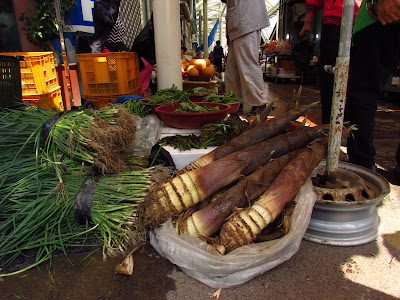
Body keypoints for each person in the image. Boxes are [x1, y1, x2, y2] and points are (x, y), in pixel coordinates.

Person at [345, 0, 400, 171]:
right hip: (381, 18)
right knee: (363, 95)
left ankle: (361, 166)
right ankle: (362, 165)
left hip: (380, 19)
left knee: (363, 94)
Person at [300, 0, 362, 124]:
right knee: (330, 80)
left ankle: (348, 128)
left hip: (362, 23)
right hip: (335, 20)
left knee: (357, 83)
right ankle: (328, 129)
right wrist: (308, 21)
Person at [221, 0, 270, 115]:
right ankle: (235, 102)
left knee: (247, 64)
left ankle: (259, 103)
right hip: (238, 21)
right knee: (232, 69)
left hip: (246, 20)